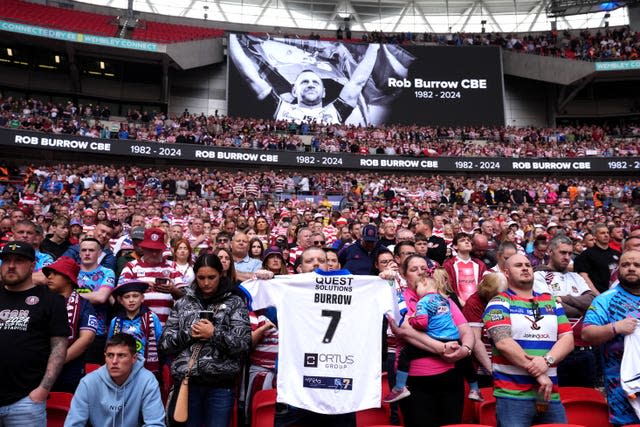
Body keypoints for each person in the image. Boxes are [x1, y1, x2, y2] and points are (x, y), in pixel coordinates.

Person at [244, 246, 398, 427]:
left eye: (321, 261)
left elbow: (391, 304)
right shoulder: (286, 288)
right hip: (298, 387)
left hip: (340, 386)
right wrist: (262, 280)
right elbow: (252, 300)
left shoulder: (358, 287)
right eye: (309, 261)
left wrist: (386, 282)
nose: (316, 263)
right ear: (299, 268)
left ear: (329, 267)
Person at [483, 254, 574, 427]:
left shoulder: (552, 302)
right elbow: (503, 342)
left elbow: (568, 339)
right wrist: (539, 374)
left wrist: (546, 361)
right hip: (513, 395)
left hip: (548, 394)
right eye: (518, 265)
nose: (525, 268)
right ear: (506, 273)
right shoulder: (499, 302)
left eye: (527, 265)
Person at [160, 254, 251, 427]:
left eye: (211, 277)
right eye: (201, 278)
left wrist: (214, 334)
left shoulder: (235, 302)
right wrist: (189, 333)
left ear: (221, 274)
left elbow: (244, 345)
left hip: (221, 384)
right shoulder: (183, 302)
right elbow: (164, 344)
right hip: (187, 383)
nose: (206, 283)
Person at [386, 255, 473, 427]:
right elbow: (403, 329)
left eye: (424, 269)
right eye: (413, 269)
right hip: (416, 380)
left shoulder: (443, 298)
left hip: (450, 377)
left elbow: (466, 329)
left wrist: (466, 350)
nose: (420, 272)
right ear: (403, 275)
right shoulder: (398, 298)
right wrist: (441, 348)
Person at [229, 34, 380, 124]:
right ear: (294, 91)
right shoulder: (281, 109)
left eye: (315, 82)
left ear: (324, 92)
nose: (310, 85)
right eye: (304, 82)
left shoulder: (336, 112)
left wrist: (374, 47)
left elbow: (358, 80)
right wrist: (232, 36)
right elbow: (250, 77)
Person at [0, 241, 68, 426]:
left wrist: (43, 390)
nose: (11, 265)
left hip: (26, 400)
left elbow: (59, 348)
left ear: (32, 266)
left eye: (19, 260)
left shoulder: (51, 301)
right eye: (6, 260)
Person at [582, 250, 640, 426]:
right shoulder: (605, 300)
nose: (631, 268)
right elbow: (587, 334)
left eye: (637, 265)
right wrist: (615, 328)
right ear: (618, 269)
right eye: (625, 265)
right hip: (622, 391)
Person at [533, 235, 596, 387]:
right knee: (560, 399)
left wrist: (564, 299)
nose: (567, 257)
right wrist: (580, 308)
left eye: (569, 253)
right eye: (563, 252)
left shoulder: (575, 276)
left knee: (586, 399)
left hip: (584, 349)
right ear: (550, 251)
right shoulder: (539, 275)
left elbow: (592, 301)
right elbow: (550, 306)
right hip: (556, 349)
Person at [64, 333, 165, 427]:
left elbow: (155, 424)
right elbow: (73, 424)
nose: (114, 361)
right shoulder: (88, 383)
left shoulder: (147, 381)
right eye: (110, 355)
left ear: (134, 358)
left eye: (121, 355)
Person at [44, 256, 97, 393]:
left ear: (68, 278)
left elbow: (86, 339)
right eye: (49, 273)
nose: (49, 276)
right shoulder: (40, 301)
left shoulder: (84, 305)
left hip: (69, 372)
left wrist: (54, 363)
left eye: (55, 273)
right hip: (36, 368)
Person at [119, 227, 186, 326]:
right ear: (143, 248)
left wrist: (172, 290)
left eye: (158, 250)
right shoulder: (131, 267)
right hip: (137, 326)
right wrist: (140, 287)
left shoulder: (173, 266)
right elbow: (120, 294)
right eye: (151, 250)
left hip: (167, 327)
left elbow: (186, 296)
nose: (154, 253)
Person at [108, 279, 163, 377]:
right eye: (127, 297)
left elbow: (160, 342)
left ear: (142, 298)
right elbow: (110, 345)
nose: (131, 300)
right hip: (123, 368)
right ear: (120, 300)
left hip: (146, 367)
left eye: (135, 296)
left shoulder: (151, 317)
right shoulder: (115, 321)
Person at [76, 237, 116, 364]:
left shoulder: (107, 273)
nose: (87, 253)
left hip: (96, 332)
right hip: (72, 330)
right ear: (79, 253)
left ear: (99, 253)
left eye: (91, 250)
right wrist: (92, 295)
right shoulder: (71, 271)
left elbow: (101, 297)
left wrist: (72, 295)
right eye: (84, 250)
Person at [574, 223, 620, 293]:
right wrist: (597, 295)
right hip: (598, 294)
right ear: (594, 236)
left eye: (607, 232)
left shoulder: (617, 253)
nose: (606, 235)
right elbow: (583, 276)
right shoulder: (586, 255)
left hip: (618, 293)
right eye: (602, 233)